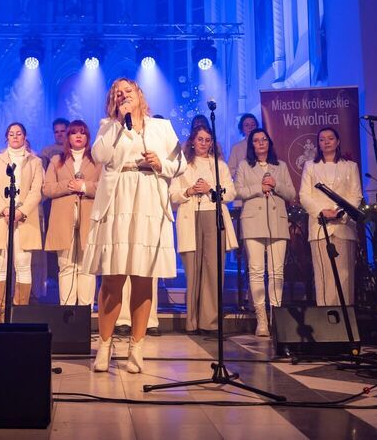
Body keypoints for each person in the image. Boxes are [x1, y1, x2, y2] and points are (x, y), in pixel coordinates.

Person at [82, 78, 184, 373]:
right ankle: (104, 346)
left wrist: (160, 164)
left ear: (140, 94)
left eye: (128, 91)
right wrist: (117, 123)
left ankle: (136, 348)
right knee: (113, 279)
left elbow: (180, 163)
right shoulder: (107, 125)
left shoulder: (161, 127)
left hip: (150, 197)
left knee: (143, 276)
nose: (123, 95)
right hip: (118, 198)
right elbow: (99, 156)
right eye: (117, 93)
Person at [170, 124, 237, 334]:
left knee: (213, 271)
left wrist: (211, 190)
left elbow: (231, 194)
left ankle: (209, 323)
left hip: (213, 215)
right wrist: (189, 190)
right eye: (200, 139)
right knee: (194, 272)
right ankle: (192, 322)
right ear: (192, 141)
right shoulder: (182, 165)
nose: (204, 144)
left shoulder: (220, 166)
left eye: (208, 140)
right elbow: (172, 195)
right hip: (190, 217)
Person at [234, 128, 295, 337]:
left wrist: (275, 185)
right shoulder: (244, 165)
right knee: (257, 271)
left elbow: (291, 194)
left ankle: (275, 317)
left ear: (269, 143)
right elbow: (237, 191)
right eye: (257, 140)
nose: (261, 143)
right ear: (252, 145)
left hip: (277, 222)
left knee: (277, 271)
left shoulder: (281, 166)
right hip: (253, 222)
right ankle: (261, 320)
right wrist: (259, 187)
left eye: (264, 140)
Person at [0, 122, 44, 315]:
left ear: (25, 137)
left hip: (25, 218)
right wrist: (4, 209)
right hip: (1, 218)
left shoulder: (35, 162)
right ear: (6, 137)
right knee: (0, 264)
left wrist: (21, 211)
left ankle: (20, 314)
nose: (15, 136)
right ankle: (1, 313)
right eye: (11, 134)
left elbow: (36, 191)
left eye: (19, 133)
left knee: (23, 264)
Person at [299, 127, 362, 308]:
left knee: (345, 275)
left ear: (337, 141)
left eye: (330, 138)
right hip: (319, 227)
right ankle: (326, 320)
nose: (326, 142)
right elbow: (304, 195)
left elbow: (355, 195)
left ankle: (345, 321)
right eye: (322, 139)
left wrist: (338, 212)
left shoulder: (350, 166)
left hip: (343, 226)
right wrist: (322, 212)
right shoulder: (310, 166)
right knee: (323, 274)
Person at [42, 120, 100, 307]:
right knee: (66, 266)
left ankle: (85, 312)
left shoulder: (97, 161)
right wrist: (68, 186)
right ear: (68, 137)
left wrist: (84, 186)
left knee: (86, 268)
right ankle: (66, 313)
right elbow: (47, 189)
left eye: (82, 133)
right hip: (63, 221)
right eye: (74, 133)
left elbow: (106, 189)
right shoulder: (57, 161)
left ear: (87, 137)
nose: (78, 136)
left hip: (88, 220)